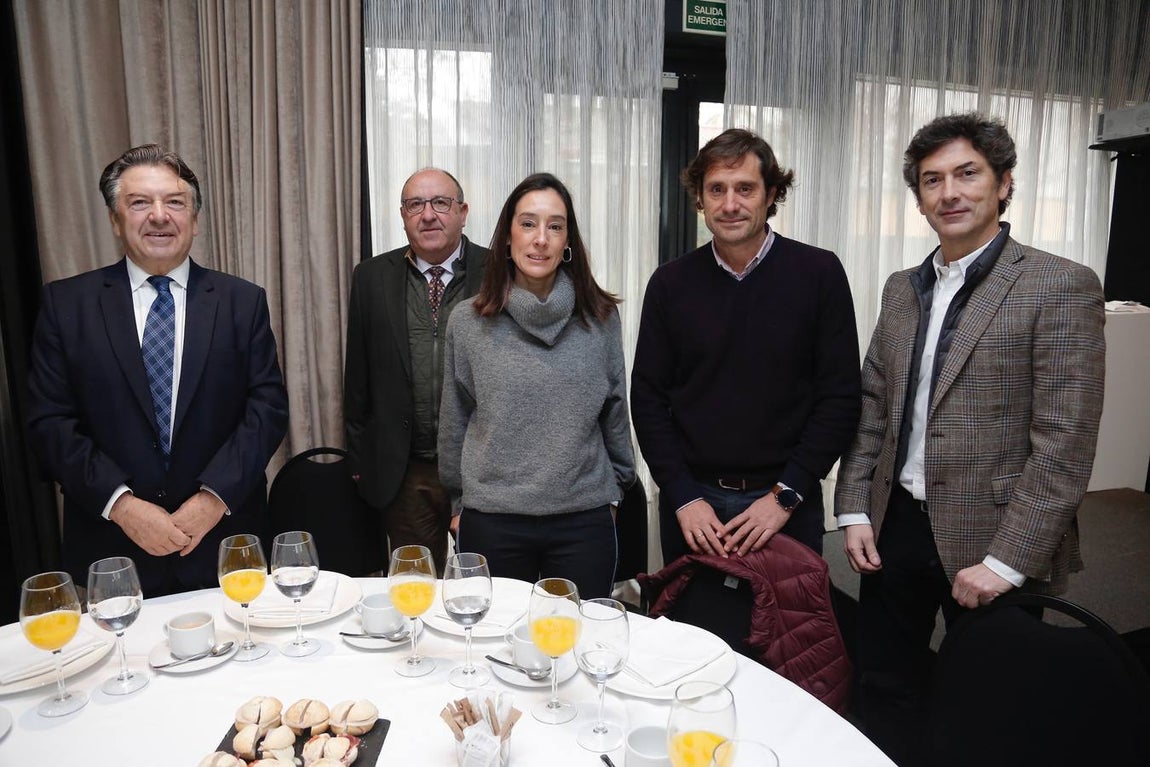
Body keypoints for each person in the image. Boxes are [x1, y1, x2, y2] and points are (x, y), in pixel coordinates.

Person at [834, 113, 1106, 766]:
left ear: (1003, 183)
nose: (949, 192)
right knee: (884, 686)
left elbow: (1065, 444)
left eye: (967, 174)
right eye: (932, 180)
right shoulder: (903, 288)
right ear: (919, 197)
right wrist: (853, 507)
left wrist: (1008, 561)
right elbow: (874, 404)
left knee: (991, 704)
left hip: (993, 536)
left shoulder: (1059, 284)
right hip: (895, 526)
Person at [26, 144, 288, 597]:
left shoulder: (242, 302)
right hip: (113, 553)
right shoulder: (66, 304)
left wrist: (212, 499)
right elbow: (50, 422)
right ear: (115, 219)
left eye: (175, 202)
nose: (160, 216)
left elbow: (266, 410)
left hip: (221, 544)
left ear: (195, 219)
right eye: (139, 202)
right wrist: (122, 506)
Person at [631, 128, 861, 564]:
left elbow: (840, 398)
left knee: (784, 614)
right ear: (700, 198)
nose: (730, 204)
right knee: (688, 612)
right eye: (716, 189)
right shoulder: (670, 284)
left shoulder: (819, 274)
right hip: (693, 509)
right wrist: (682, 495)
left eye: (745, 188)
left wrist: (786, 495)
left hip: (785, 505)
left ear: (771, 194)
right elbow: (647, 400)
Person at [438, 172, 636, 599]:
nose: (540, 239)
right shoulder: (468, 321)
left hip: (583, 520)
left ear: (568, 242)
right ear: (507, 237)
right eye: (528, 223)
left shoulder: (601, 318)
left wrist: (616, 493)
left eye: (555, 226)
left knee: (577, 636)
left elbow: (615, 411)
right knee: (493, 636)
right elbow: (455, 418)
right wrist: (458, 505)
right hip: (492, 521)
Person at [343, 168, 488, 574]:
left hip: (482, 470)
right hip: (405, 474)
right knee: (415, 589)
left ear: (462, 212)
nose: (428, 215)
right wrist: (362, 465)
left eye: (440, 203)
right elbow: (357, 382)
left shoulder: (499, 271)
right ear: (402, 215)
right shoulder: (371, 277)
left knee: (487, 585)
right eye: (415, 205)